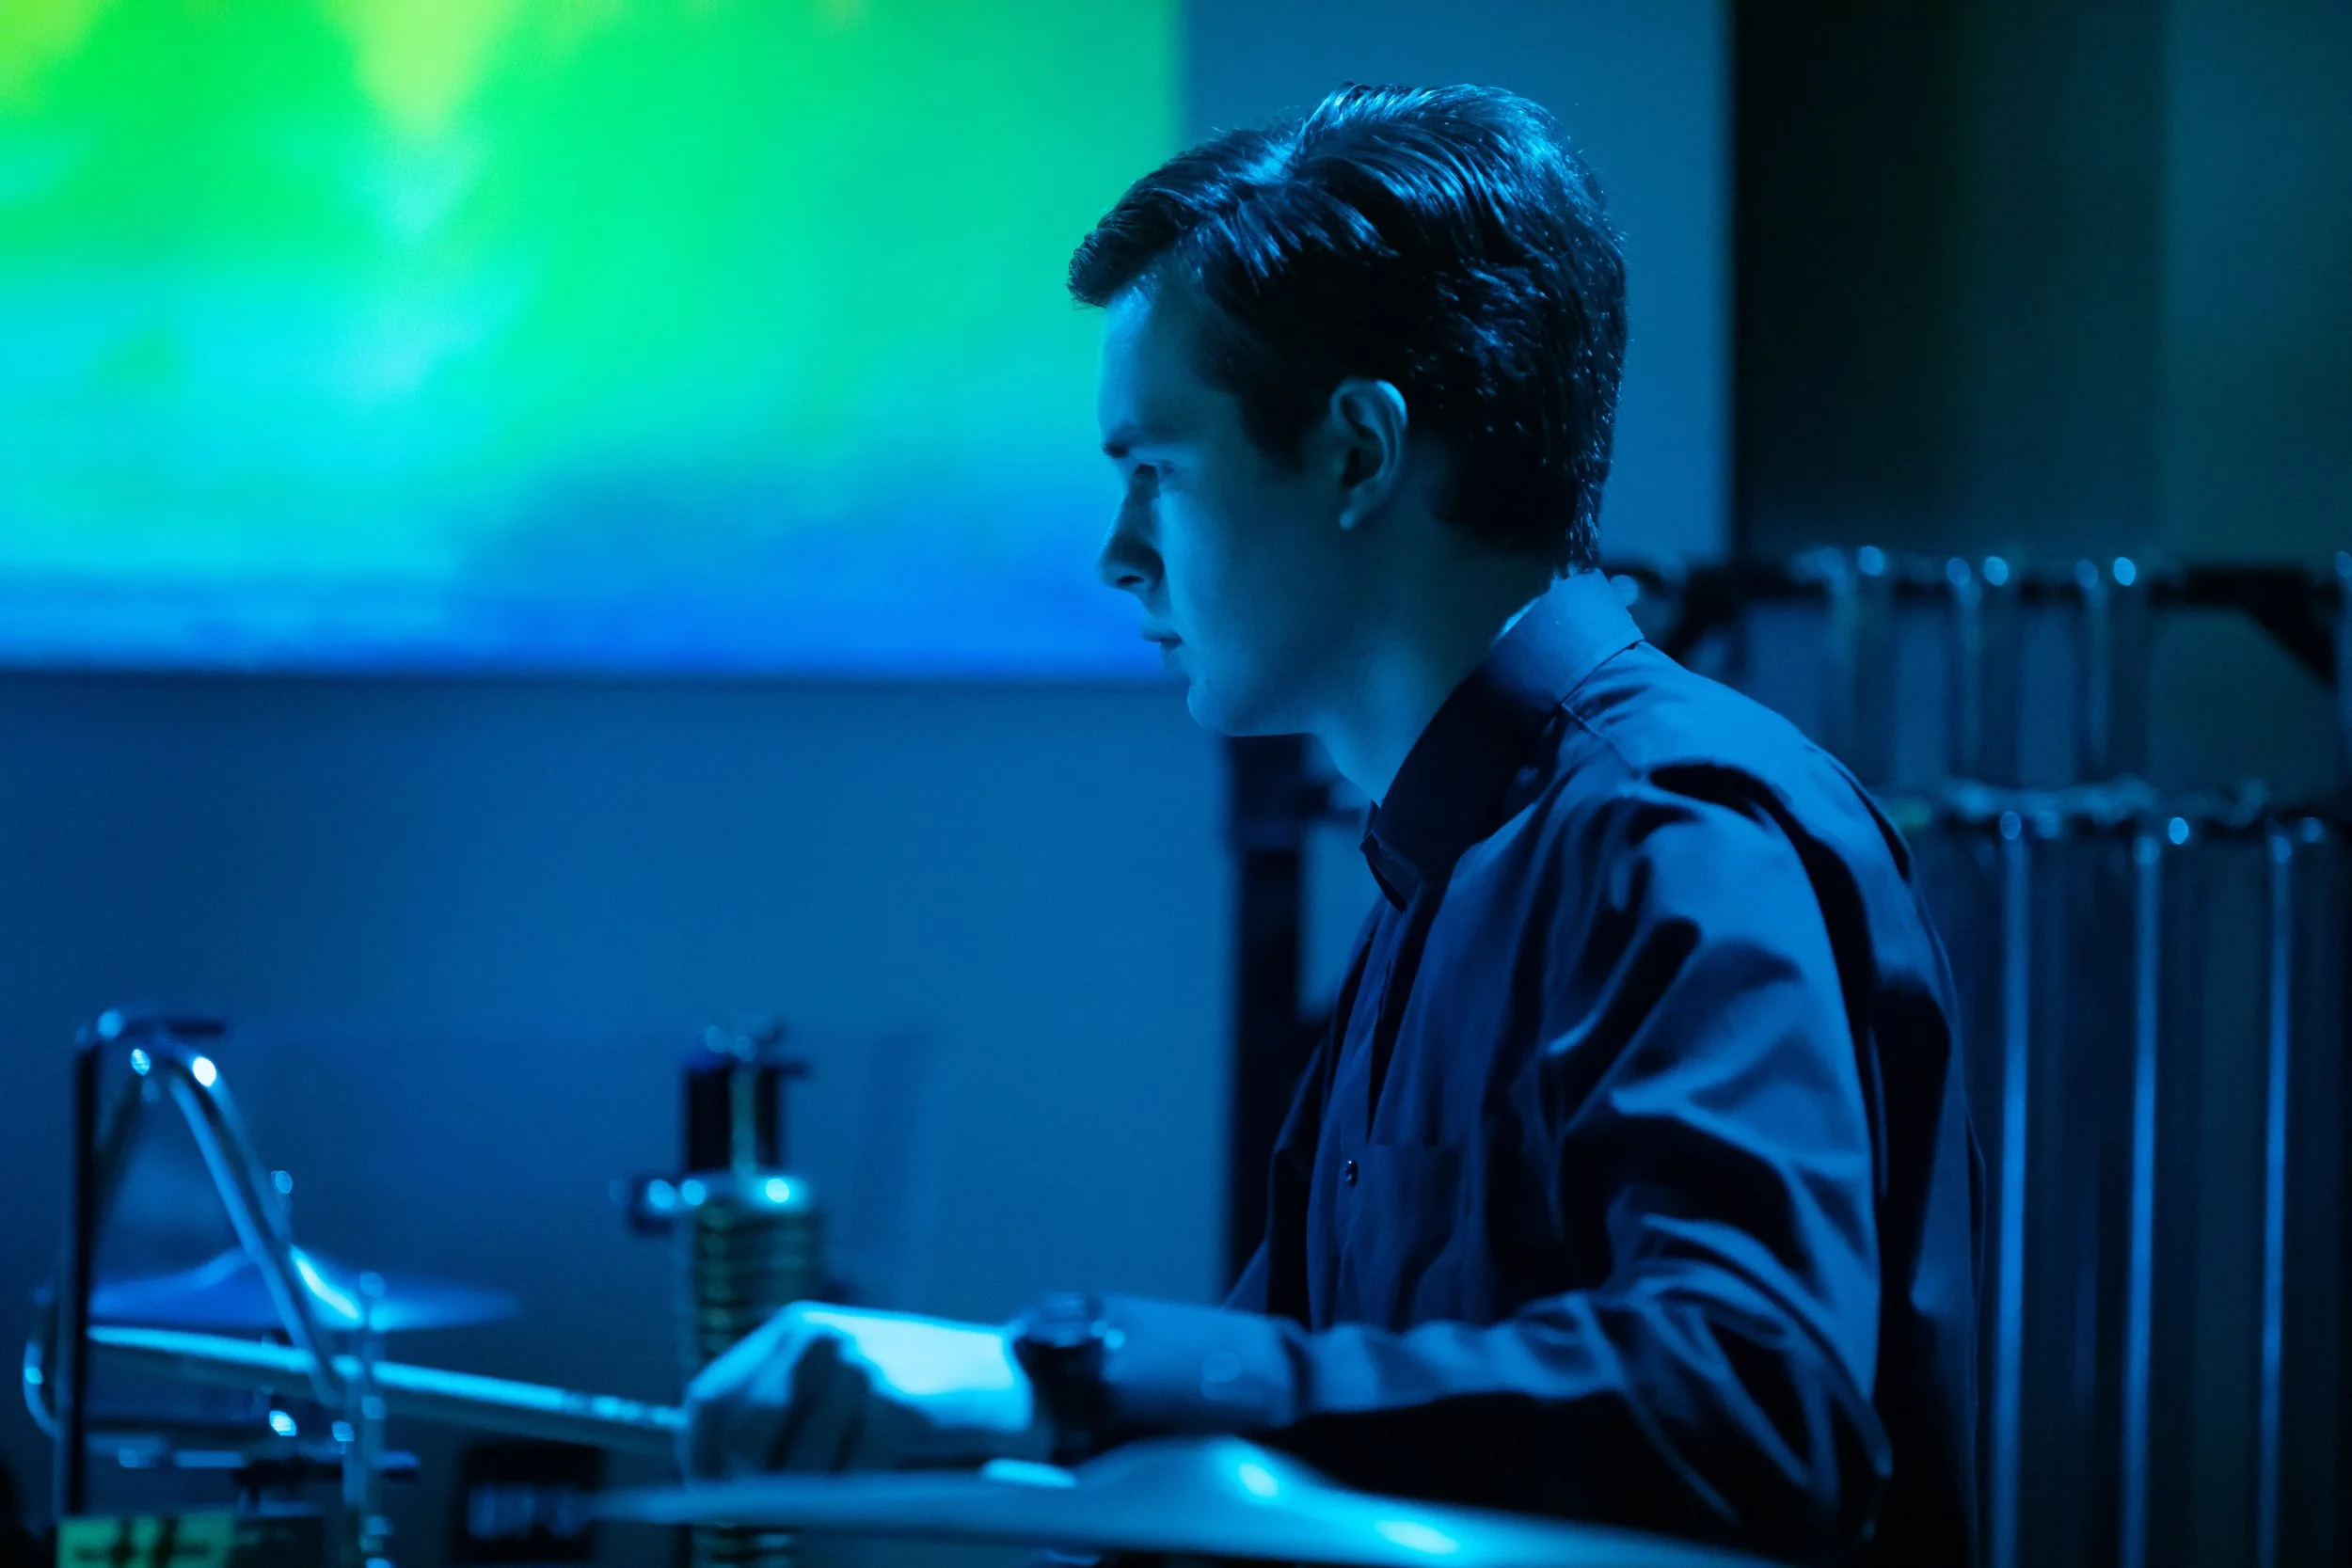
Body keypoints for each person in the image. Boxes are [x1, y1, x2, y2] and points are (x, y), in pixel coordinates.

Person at [682, 83, 1981, 1567]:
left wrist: (1057, 1377)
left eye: (1154, 474)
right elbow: (1302, 1443)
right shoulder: (1449, 869)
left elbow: (1749, 1409)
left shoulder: (1678, 832)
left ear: (1360, 454)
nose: (1117, 556)